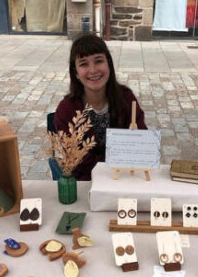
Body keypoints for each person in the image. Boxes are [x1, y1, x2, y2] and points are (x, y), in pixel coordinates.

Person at [54, 34, 147, 181]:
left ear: (108, 64)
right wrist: (120, 157)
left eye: (98, 61)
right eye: (83, 64)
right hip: (86, 182)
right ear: (76, 73)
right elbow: (78, 162)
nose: (93, 70)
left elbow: (141, 144)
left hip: (125, 180)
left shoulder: (126, 99)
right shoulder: (66, 110)